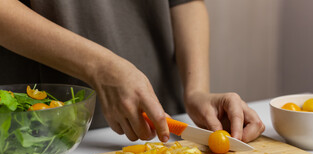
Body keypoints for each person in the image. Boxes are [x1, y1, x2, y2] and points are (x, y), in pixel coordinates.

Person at [0, 0, 265, 143]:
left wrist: (196, 91)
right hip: (40, 137)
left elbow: (184, 2)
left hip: (161, 123)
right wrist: (99, 66)